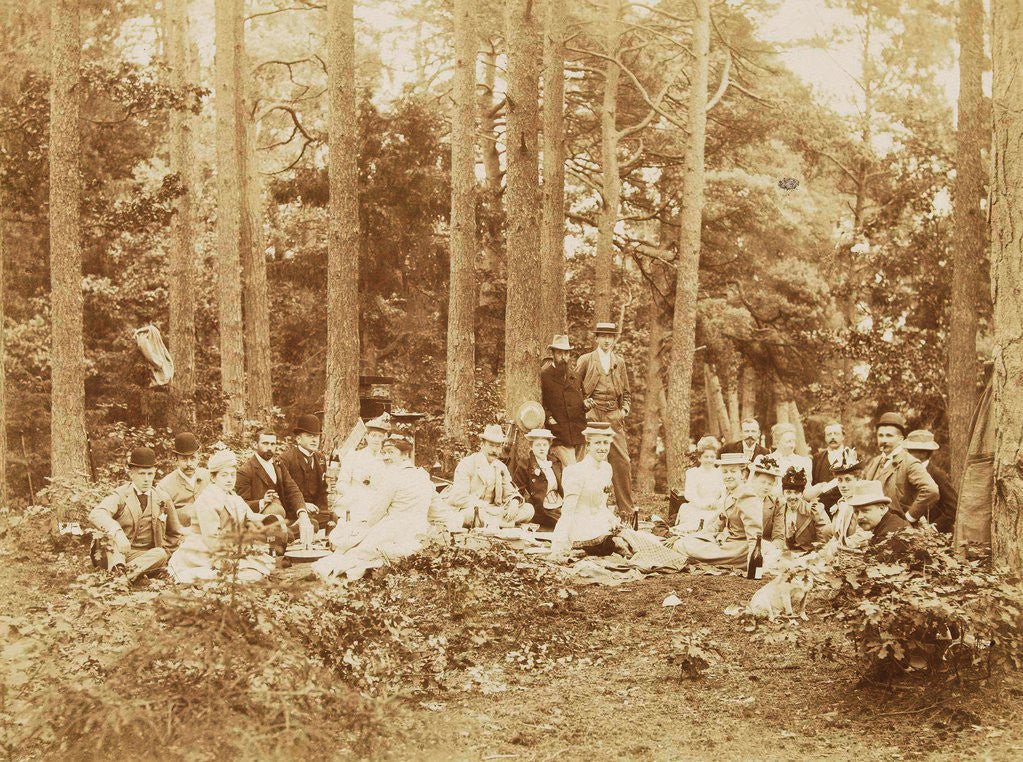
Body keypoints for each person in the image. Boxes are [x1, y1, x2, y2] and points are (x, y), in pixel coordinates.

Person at [312, 436, 435, 581]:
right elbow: (433, 508)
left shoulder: (394, 477)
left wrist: (358, 530)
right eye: (384, 453)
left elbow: (375, 514)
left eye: (391, 452)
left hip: (395, 530)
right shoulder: (422, 475)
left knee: (353, 550)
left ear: (404, 455)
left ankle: (330, 574)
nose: (386, 457)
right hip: (418, 530)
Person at [168, 450, 284, 584]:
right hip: (202, 552)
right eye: (224, 475)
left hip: (228, 547)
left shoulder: (231, 495)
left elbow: (250, 516)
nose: (230, 479)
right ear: (213, 477)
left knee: (265, 566)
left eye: (232, 475)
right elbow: (212, 538)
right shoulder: (207, 499)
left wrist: (271, 521)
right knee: (249, 575)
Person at [550, 423, 660, 557]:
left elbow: (601, 506)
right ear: (588, 446)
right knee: (619, 544)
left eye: (605, 443)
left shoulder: (607, 469)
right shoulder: (574, 471)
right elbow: (568, 510)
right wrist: (559, 542)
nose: (602, 448)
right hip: (581, 527)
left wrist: (612, 519)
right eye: (597, 443)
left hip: (600, 523)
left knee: (645, 541)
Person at [89, 447, 184, 581]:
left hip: (143, 555)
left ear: (154, 473)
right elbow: (96, 513)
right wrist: (117, 532)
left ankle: (120, 575)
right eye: (141, 474)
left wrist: (166, 553)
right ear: (131, 474)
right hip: (117, 551)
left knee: (161, 554)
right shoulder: (121, 494)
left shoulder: (163, 498)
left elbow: (174, 533)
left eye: (150, 474)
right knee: (107, 541)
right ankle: (122, 571)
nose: (146, 479)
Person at [575, 322, 634, 520]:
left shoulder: (620, 361)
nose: (607, 340)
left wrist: (624, 410)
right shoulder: (586, 360)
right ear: (597, 338)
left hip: (614, 416)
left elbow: (626, 392)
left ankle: (626, 512)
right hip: (592, 415)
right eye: (603, 336)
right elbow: (573, 388)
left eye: (611, 337)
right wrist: (583, 402)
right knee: (588, 460)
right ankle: (584, 510)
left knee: (622, 461)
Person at [673, 451, 768, 566]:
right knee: (685, 541)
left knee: (683, 547)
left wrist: (753, 562)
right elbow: (720, 521)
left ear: (743, 474)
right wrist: (702, 535)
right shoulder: (730, 493)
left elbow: (755, 534)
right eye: (725, 472)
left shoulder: (747, 496)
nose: (728, 476)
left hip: (739, 549)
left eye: (733, 471)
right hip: (725, 540)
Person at [444, 424, 533, 528]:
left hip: (494, 511)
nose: (495, 451)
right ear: (482, 444)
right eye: (491, 445)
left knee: (529, 509)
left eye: (498, 446)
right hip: (472, 508)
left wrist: (514, 501)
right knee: (472, 515)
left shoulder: (500, 467)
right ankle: (501, 523)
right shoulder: (467, 464)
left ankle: (493, 524)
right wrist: (484, 506)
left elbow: (510, 491)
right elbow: (458, 498)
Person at [860, 412, 939, 523]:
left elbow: (931, 490)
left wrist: (909, 517)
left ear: (901, 439)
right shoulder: (875, 461)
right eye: (880, 436)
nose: (884, 440)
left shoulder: (909, 462)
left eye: (889, 436)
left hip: (898, 530)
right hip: (873, 527)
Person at [235, 428, 312, 534]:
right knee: (277, 516)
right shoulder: (245, 471)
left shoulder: (278, 465)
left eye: (273, 444)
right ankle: (284, 534)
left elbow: (292, 490)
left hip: (284, 518)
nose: (269, 448)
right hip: (261, 521)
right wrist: (262, 502)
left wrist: (302, 514)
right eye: (265, 443)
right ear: (255, 444)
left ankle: (285, 533)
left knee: (312, 524)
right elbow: (241, 505)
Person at [540, 335, 588, 468]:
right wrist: (549, 418)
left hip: (579, 433)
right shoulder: (545, 376)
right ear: (553, 354)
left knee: (581, 472)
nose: (563, 356)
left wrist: (586, 405)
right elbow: (541, 403)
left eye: (566, 353)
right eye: (559, 352)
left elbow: (582, 398)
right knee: (572, 472)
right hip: (560, 435)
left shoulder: (575, 376)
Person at [281, 413, 330, 528]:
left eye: (317, 436)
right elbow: (283, 492)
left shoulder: (320, 458)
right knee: (314, 524)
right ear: (298, 438)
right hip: (294, 511)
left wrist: (320, 510)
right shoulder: (286, 459)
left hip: (313, 511)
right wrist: (303, 506)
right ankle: (290, 532)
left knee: (332, 518)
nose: (314, 440)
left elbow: (323, 491)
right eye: (309, 436)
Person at [903, 430, 958, 533]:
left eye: (912, 451)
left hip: (935, 536)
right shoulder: (906, 471)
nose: (908, 454)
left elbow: (953, 508)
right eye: (909, 450)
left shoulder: (937, 475)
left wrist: (934, 528)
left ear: (924, 453)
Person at [512, 428, 564, 529]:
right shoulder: (525, 464)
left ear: (549, 446)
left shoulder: (555, 462)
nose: (541, 448)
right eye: (538, 445)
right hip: (541, 508)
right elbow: (517, 489)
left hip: (559, 504)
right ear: (531, 447)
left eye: (544, 445)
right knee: (565, 524)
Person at [155, 432, 209, 527]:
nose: (189, 464)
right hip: (183, 535)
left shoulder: (208, 476)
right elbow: (161, 520)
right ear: (176, 460)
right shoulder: (165, 486)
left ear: (198, 458)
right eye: (184, 459)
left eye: (192, 458)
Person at [775, 467, 833, 551]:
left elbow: (824, 542)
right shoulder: (778, 509)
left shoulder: (814, 510)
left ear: (802, 494)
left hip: (810, 555)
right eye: (788, 492)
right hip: (785, 555)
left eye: (796, 493)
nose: (792, 497)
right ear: (783, 493)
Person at [674, 436, 725, 532]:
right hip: (696, 508)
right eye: (706, 457)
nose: (709, 460)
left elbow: (724, 493)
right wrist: (703, 505)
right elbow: (690, 494)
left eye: (712, 457)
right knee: (695, 525)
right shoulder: (692, 473)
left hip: (715, 509)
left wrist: (718, 504)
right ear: (700, 458)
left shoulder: (720, 473)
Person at [820, 449, 865, 544]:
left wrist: (834, 550)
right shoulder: (842, 502)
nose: (843, 485)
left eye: (848, 480)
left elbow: (862, 538)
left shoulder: (864, 505)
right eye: (840, 480)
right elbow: (836, 538)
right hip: (842, 554)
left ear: (858, 479)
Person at [848, 480, 910, 544]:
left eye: (865, 510)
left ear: (882, 508)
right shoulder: (887, 523)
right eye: (856, 512)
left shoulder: (890, 535)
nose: (859, 517)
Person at [810, 421, 846, 513]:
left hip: (844, 508)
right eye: (829, 434)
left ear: (843, 437)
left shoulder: (852, 456)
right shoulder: (817, 458)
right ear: (825, 438)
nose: (832, 437)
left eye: (836, 434)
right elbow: (813, 483)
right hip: (821, 510)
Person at [769, 422, 812, 490]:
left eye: (793, 441)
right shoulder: (767, 460)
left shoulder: (804, 462)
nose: (792, 445)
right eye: (788, 442)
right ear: (777, 442)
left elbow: (807, 489)